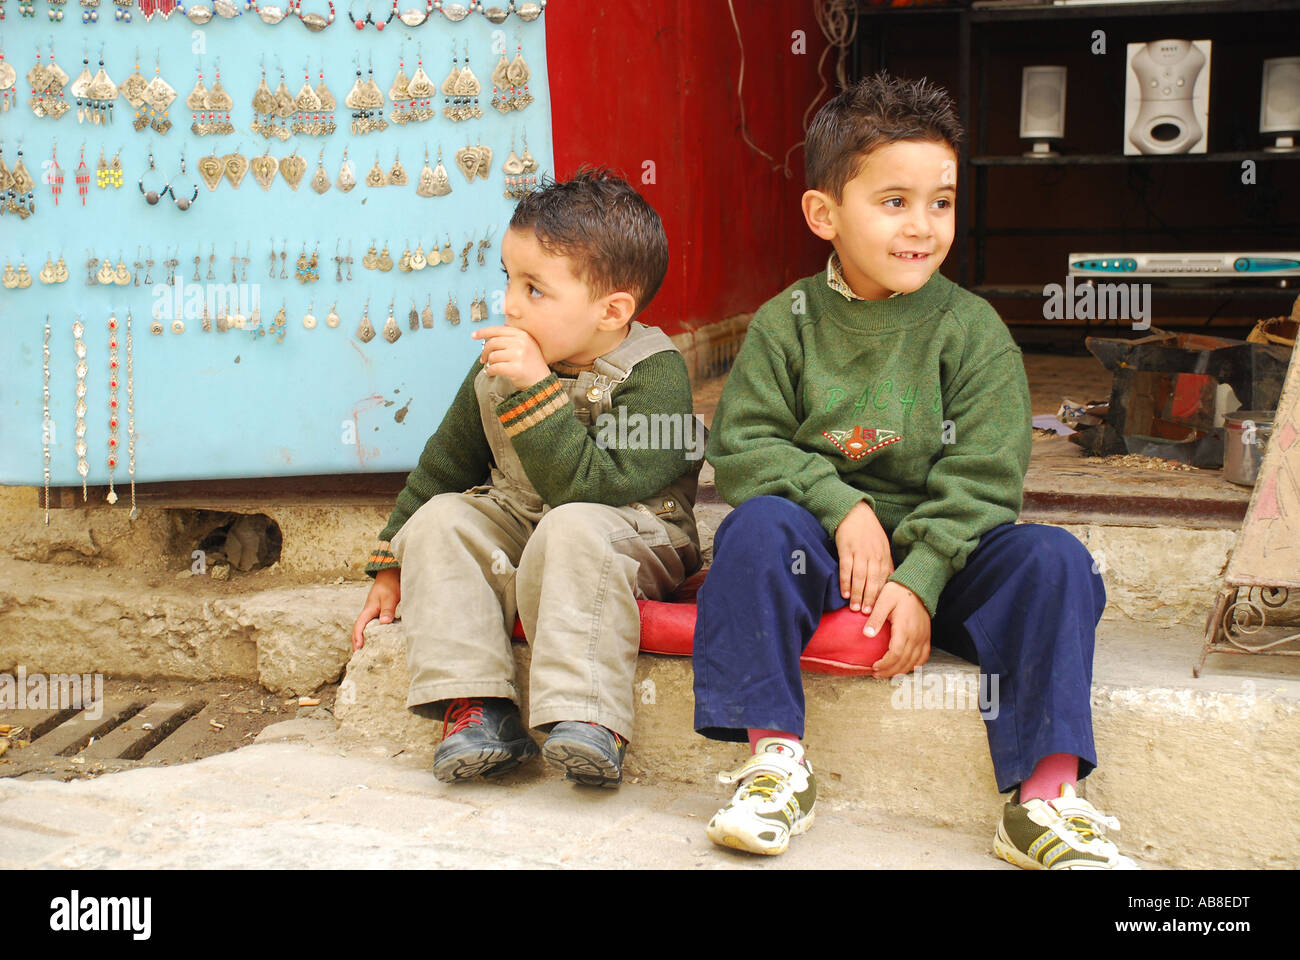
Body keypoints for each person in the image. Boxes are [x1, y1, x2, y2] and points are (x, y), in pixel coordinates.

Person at [692, 72, 1136, 869]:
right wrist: (841, 507)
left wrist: (922, 576)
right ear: (824, 214)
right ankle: (773, 763)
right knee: (755, 529)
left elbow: (987, 475)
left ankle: (1043, 800)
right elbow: (744, 446)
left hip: (950, 557)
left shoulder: (971, 329)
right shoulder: (786, 323)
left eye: (942, 201)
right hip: (826, 555)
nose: (923, 226)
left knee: (1055, 560)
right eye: (894, 201)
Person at [352, 168, 703, 788]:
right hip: (524, 517)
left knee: (571, 527)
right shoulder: (499, 366)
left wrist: (539, 391)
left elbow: (593, 488)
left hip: (627, 531)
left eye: (535, 289)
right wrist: (390, 563)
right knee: (441, 520)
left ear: (612, 309)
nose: (511, 304)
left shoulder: (654, 375)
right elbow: (445, 462)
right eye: (509, 280)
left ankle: (589, 717)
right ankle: (478, 708)